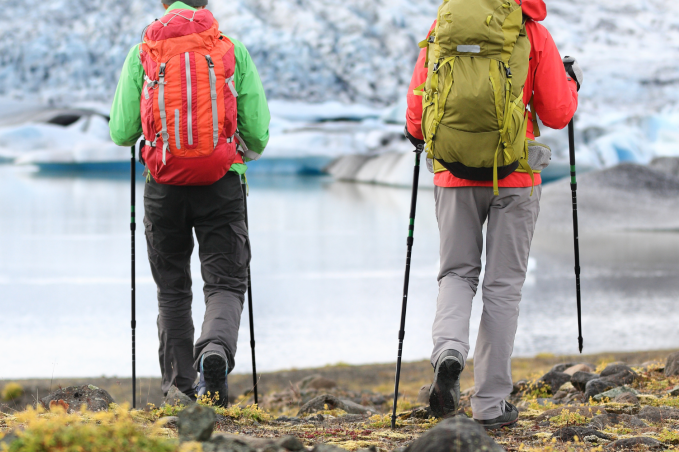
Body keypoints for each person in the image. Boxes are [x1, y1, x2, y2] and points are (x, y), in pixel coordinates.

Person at [404, 0, 582, 428]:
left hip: (453, 175)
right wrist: (572, 84)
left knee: (456, 273)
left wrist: (420, 134)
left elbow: (417, 110)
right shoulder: (530, 30)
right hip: (516, 176)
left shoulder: (442, 26)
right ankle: (489, 404)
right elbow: (557, 113)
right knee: (502, 288)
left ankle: (449, 350)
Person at [109, 0, 270, 406]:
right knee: (227, 282)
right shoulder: (231, 49)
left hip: (163, 186)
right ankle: (214, 350)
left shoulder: (143, 51)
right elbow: (258, 132)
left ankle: (179, 390)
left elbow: (122, 132)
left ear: (163, 2)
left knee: (172, 290)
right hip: (222, 183)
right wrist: (236, 153)